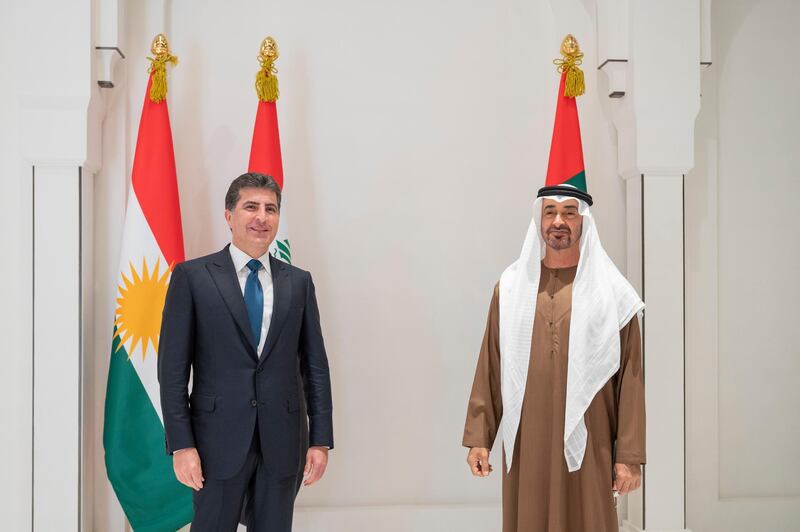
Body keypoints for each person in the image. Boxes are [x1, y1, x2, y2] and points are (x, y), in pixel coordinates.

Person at [462, 184, 646, 532]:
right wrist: (479, 437)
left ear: (583, 221)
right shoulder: (512, 287)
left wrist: (629, 457)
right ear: (539, 218)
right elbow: (492, 363)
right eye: (550, 212)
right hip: (527, 442)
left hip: (591, 445)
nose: (558, 221)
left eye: (569, 212)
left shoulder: (613, 292)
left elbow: (631, 381)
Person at [158, 172, 333, 532]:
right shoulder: (193, 277)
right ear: (229, 216)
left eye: (271, 209)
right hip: (214, 443)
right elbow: (172, 371)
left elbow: (315, 366)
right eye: (250, 206)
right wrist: (181, 445)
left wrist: (321, 439)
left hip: (282, 441)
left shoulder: (299, 282)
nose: (261, 217)